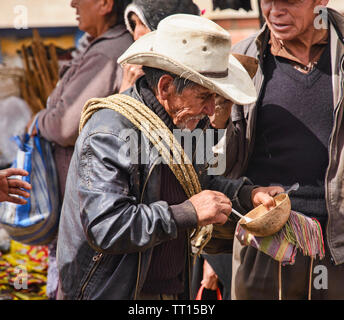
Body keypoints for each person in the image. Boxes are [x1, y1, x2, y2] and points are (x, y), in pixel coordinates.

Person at [55, 13, 284, 300]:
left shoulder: (185, 121)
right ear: (165, 88)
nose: (212, 110)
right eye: (204, 96)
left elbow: (198, 183)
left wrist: (248, 195)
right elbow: (106, 227)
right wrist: (187, 212)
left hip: (171, 290)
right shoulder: (109, 132)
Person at [212, 0, 344, 299]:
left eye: (289, 1)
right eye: (267, 1)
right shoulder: (243, 60)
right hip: (264, 246)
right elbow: (213, 161)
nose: (275, 12)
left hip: (338, 246)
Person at [26, 0, 133, 299]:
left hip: (86, 202)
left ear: (104, 3)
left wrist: (38, 120)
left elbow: (63, 125)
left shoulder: (107, 53)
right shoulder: (101, 46)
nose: (72, 2)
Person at [119, 0, 200, 93]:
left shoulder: (196, 73)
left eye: (143, 24)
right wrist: (127, 86)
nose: (136, 35)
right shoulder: (134, 72)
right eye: (134, 24)